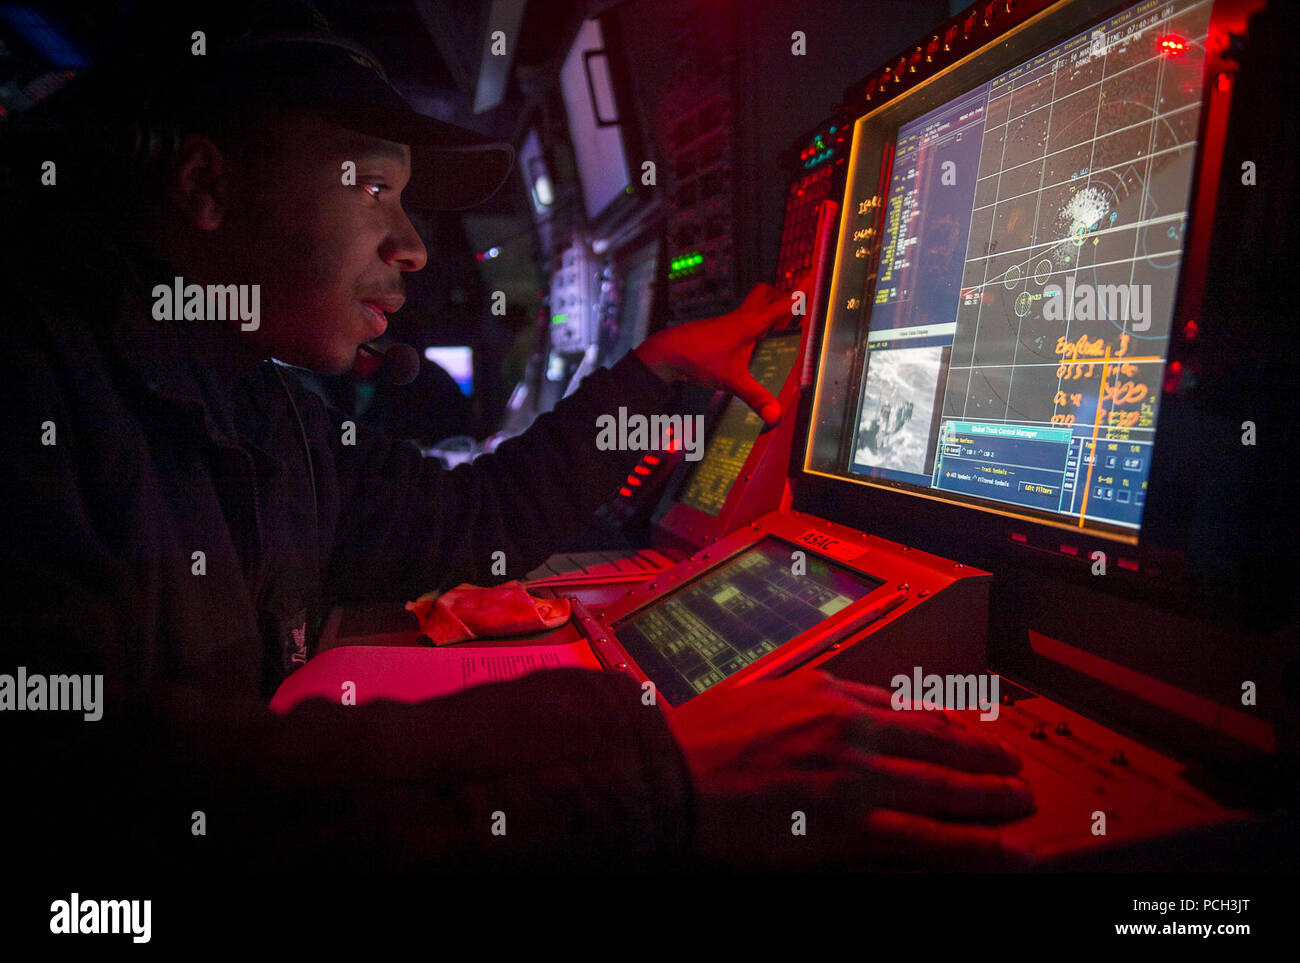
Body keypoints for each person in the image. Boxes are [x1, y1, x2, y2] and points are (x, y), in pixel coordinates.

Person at [0, 4, 1032, 872]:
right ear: (205, 188)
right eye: (376, 190)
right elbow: (91, 791)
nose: (409, 247)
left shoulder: (263, 415)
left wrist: (657, 372)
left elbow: (469, 518)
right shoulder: (37, 382)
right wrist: (639, 776)